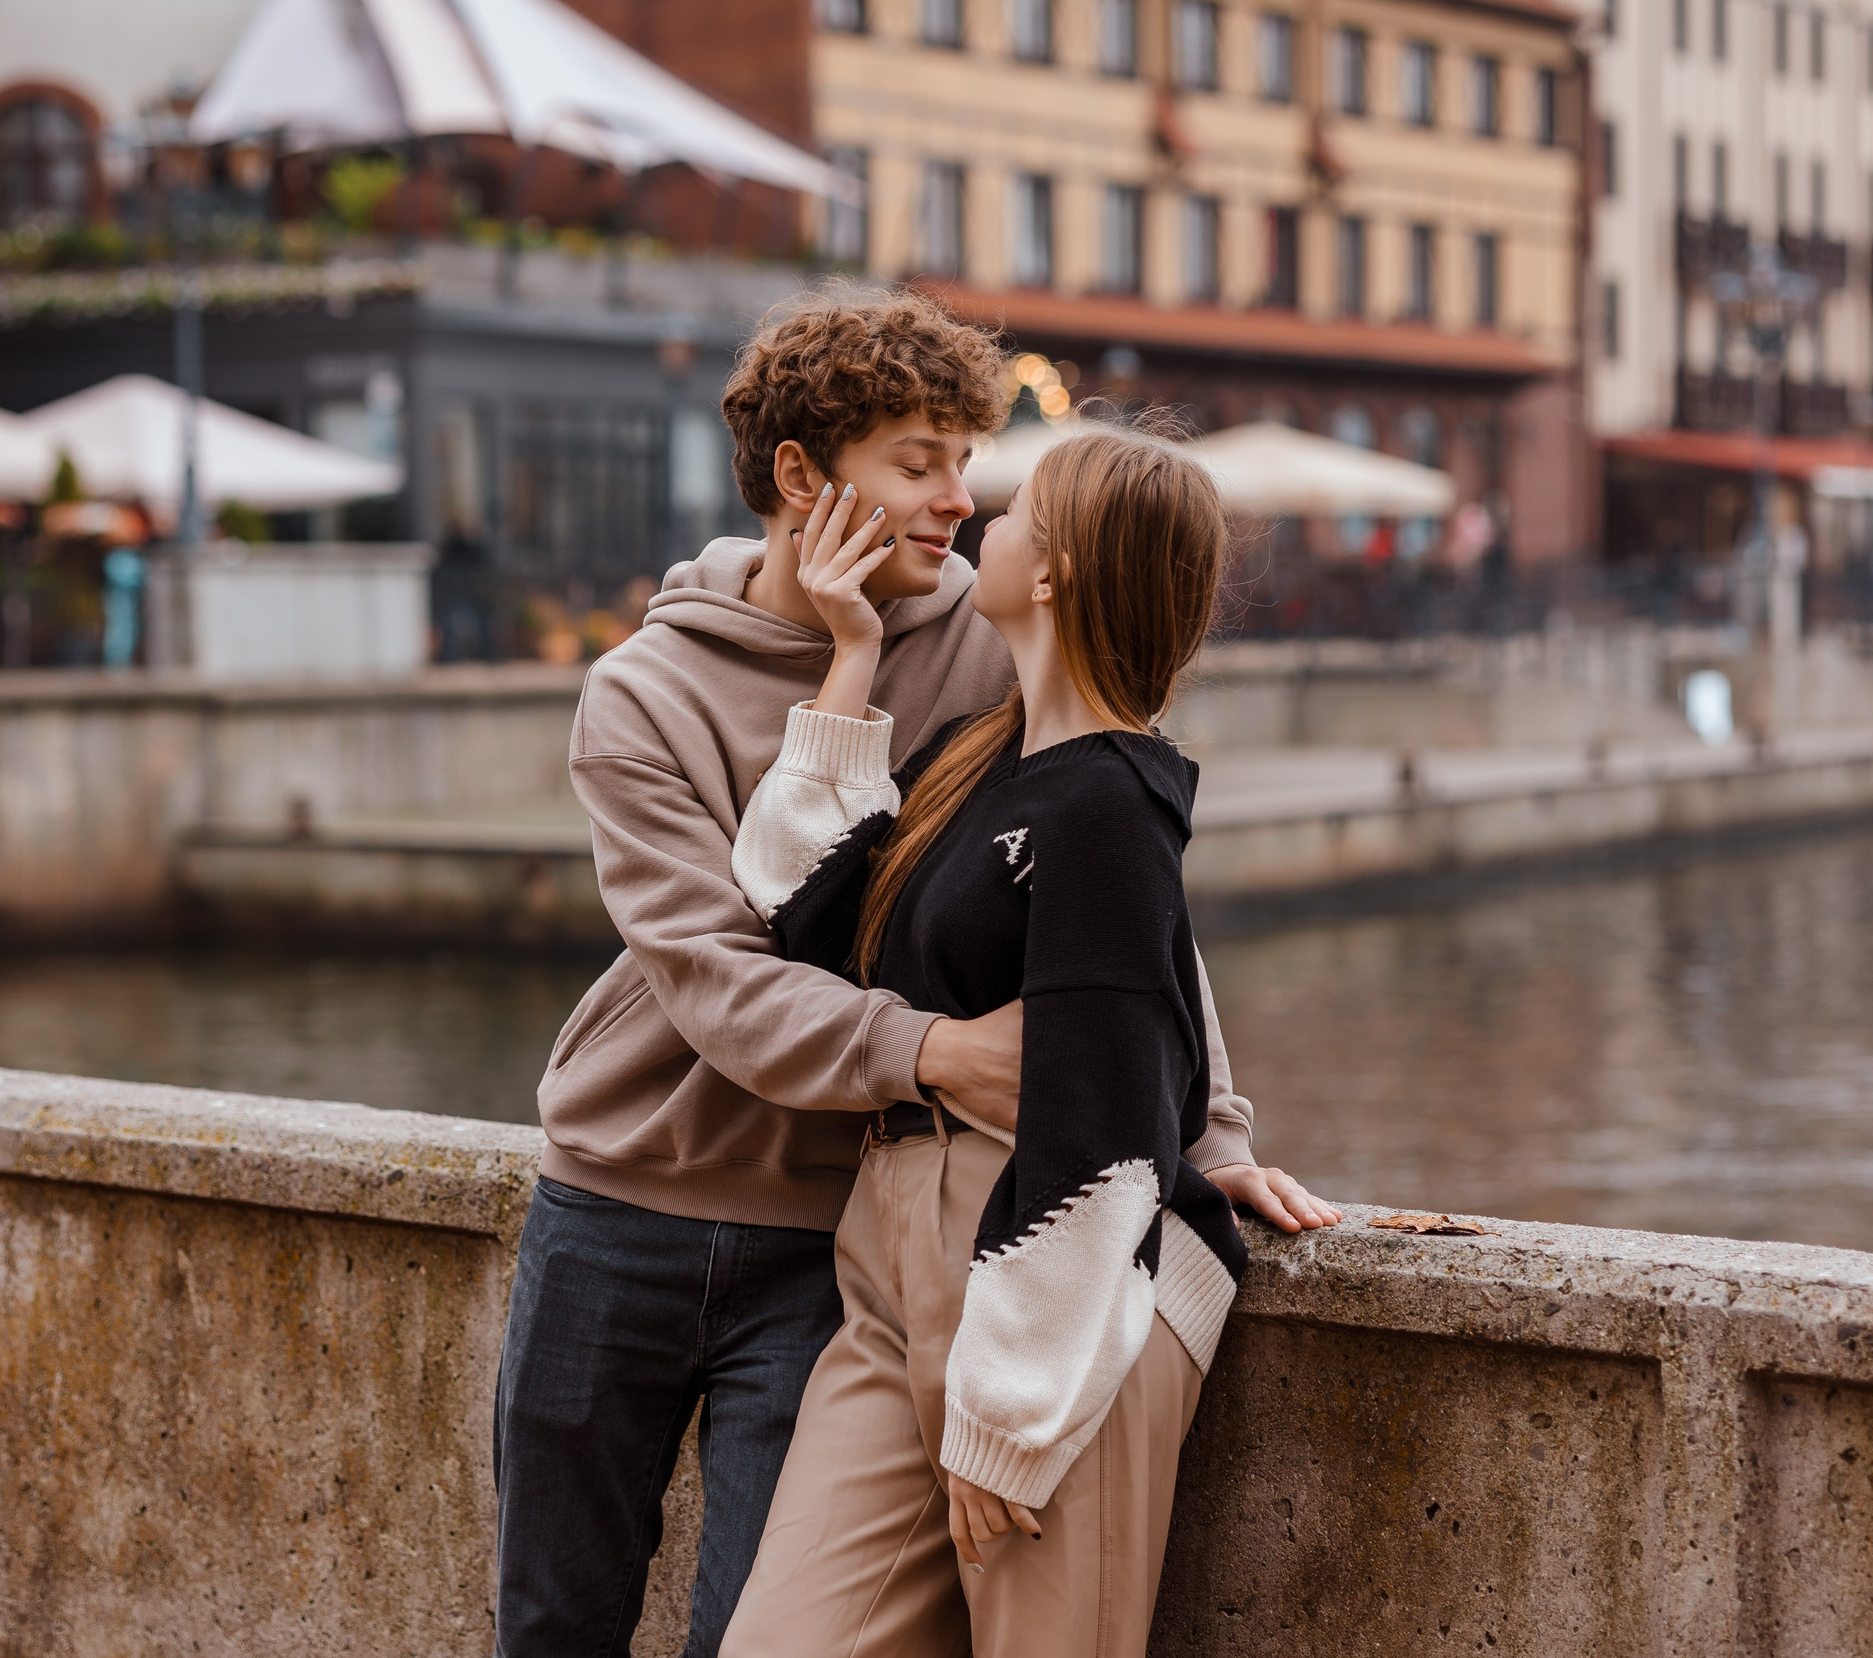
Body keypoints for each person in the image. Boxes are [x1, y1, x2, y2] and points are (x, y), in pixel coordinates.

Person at [492, 291, 1330, 1658]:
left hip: (824, 1226)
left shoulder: (992, 638)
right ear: (801, 477)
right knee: (551, 1622)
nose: (960, 496)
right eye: (918, 461)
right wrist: (935, 1049)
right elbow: (730, 968)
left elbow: (1124, 908)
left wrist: (1209, 1130)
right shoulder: (642, 693)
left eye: (968, 460)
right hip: (622, 1198)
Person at [719, 427, 1339, 1658]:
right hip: (896, 1255)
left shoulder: (1113, 802)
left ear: (1053, 571)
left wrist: (1010, 1412)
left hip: (1055, 1309)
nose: (978, 520)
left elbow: (1101, 1120)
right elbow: (795, 905)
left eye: (1015, 512)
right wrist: (851, 653)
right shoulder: (977, 760)